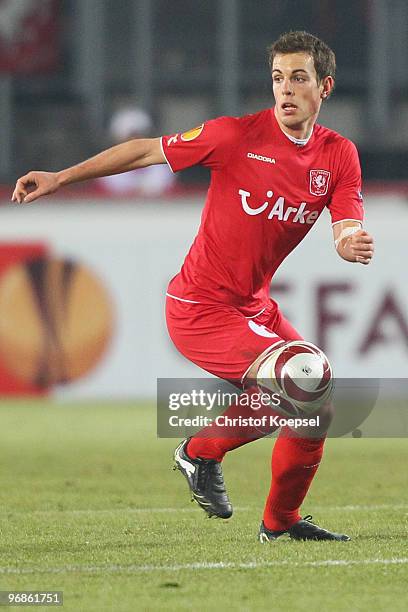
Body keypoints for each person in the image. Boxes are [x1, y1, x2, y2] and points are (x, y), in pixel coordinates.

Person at [12, 31, 374, 542]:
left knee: (318, 405)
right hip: (199, 308)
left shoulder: (338, 155)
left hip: (253, 307)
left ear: (325, 87)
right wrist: (60, 177)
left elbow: (347, 224)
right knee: (305, 377)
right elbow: (144, 153)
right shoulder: (235, 136)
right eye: (277, 78)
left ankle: (280, 522)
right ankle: (199, 450)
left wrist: (350, 242)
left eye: (298, 78)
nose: (285, 90)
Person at [96, 105, 176, 196]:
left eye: (139, 137)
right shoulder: (105, 171)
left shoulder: (163, 169)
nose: (134, 143)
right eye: (129, 138)